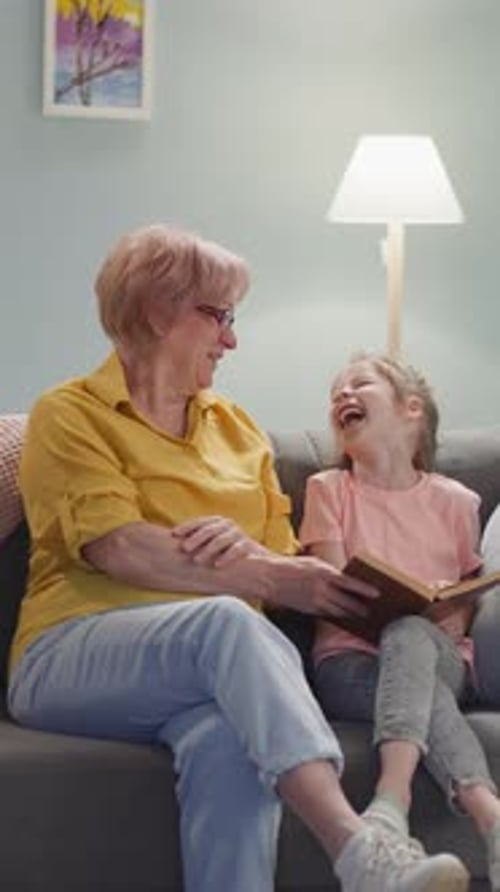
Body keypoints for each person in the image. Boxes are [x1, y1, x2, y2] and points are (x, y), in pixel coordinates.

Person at [7, 226, 468, 892]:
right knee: (223, 619)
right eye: (218, 316)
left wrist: (253, 557)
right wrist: (251, 572)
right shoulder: (70, 414)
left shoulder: (237, 429)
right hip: (70, 657)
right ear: (158, 311)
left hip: (208, 674)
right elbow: (120, 546)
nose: (232, 339)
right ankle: (359, 850)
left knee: (228, 742)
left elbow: (285, 573)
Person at [300, 351, 500, 891]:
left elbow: (465, 599)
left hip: (439, 660)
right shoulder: (328, 489)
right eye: (334, 392)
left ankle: (390, 807)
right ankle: (490, 817)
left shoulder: (457, 502)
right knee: (404, 632)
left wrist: (453, 613)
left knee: (412, 633)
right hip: (348, 663)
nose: (341, 395)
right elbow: (333, 587)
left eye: (359, 384)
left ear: (412, 410)